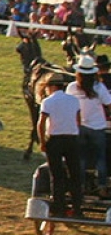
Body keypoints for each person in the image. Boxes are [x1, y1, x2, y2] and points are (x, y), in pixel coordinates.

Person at [38, 76, 82, 216]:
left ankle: (59, 207)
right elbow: (78, 121)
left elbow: (41, 123)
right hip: (72, 139)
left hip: (55, 140)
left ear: (52, 87)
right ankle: (77, 207)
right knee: (75, 174)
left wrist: (43, 142)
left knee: (56, 175)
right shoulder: (74, 100)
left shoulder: (48, 102)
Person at [67, 55, 111, 197]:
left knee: (81, 159)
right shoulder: (99, 87)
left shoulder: (72, 87)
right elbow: (109, 104)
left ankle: (82, 186)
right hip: (98, 127)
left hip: (80, 126)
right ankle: (102, 186)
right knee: (100, 158)